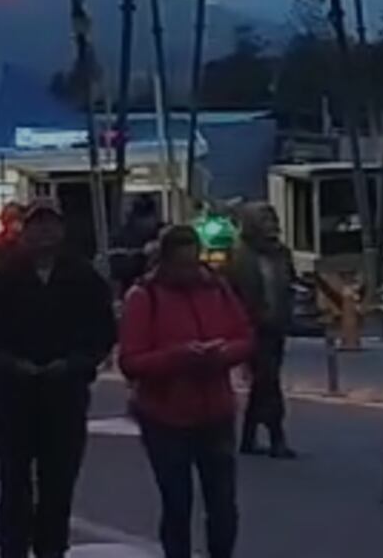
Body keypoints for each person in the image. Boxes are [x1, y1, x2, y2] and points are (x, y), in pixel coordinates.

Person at [0, 199, 117, 558]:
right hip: (13, 397)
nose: (44, 231)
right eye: (36, 224)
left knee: (58, 486)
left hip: (64, 395)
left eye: (51, 224)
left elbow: (102, 333)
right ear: (25, 230)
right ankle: (13, 550)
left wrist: (74, 364)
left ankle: (52, 550)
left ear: (62, 230)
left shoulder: (82, 277)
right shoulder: (4, 276)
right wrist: (8, 364)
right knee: (14, 484)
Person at [120, 226, 254, 558]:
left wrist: (222, 354)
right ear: (164, 261)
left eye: (193, 263)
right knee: (177, 502)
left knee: (223, 504)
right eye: (181, 264)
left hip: (216, 411)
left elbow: (245, 336)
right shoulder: (144, 297)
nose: (189, 271)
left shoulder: (217, 291)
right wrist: (178, 357)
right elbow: (131, 360)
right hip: (165, 416)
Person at [225, 202, 298, 459]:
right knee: (268, 380)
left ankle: (248, 435)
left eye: (272, 221)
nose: (271, 227)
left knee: (263, 381)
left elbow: (289, 284)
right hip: (251, 327)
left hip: (276, 324)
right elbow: (231, 293)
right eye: (264, 221)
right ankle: (277, 435)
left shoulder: (281, 254)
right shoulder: (239, 256)